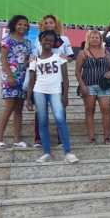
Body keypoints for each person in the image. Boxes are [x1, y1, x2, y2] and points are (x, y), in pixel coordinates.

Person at [26, 30, 79, 163]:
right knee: (42, 122)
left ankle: (67, 152)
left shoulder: (59, 57)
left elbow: (65, 78)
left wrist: (65, 94)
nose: (48, 42)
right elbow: (31, 81)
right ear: (40, 41)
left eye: (50, 40)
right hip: (39, 92)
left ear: (54, 43)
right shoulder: (35, 60)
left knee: (60, 120)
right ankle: (46, 153)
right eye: (45, 40)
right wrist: (28, 99)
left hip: (55, 92)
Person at [33, 14, 74, 147]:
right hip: (43, 79)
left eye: (51, 22)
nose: (48, 25)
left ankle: (61, 139)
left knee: (60, 111)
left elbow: (70, 57)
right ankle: (38, 138)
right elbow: (35, 58)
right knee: (40, 111)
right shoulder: (39, 39)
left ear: (56, 24)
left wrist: (65, 58)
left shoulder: (64, 39)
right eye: (46, 23)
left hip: (59, 80)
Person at [0, 15, 31, 149]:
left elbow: (25, 60)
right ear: (14, 25)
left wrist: (29, 62)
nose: (22, 27)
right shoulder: (7, 39)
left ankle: (16, 139)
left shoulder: (28, 43)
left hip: (22, 77)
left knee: (19, 109)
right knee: (8, 107)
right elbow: (3, 58)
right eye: (20, 24)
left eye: (25, 25)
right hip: (10, 76)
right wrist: (10, 76)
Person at [75, 30, 110, 145]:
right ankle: (91, 138)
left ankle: (107, 137)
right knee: (89, 111)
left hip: (103, 85)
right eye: (92, 37)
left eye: (97, 37)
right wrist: (82, 85)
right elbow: (77, 72)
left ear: (100, 39)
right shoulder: (83, 53)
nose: (94, 39)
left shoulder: (106, 52)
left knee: (106, 110)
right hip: (88, 85)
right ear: (88, 39)